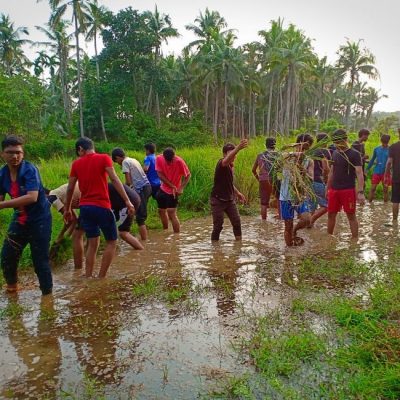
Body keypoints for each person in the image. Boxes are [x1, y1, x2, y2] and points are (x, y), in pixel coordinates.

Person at [64, 138, 135, 278]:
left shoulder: (76, 164)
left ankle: (88, 276)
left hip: (85, 208)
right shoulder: (104, 158)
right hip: (102, 206)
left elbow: (70, 188)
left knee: (92, 243)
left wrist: (67, 209)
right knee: (111, 241)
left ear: (80, 150)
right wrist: (127, 200)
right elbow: (114, 180)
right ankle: (101, 277)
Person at [0, 135, 53, 295]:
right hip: (20, 219)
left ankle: (47, 297)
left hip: (39, 220)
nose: (15, 156)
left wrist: (2, 205)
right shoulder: (2, 174)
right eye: (10, 152)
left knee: (39, 260)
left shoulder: (30, 169)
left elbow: (32, 197)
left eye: (18, 152)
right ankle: (12, 289)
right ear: (3, 154)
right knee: (7, 256)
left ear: (23, 154)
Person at [327, 129, 365, 238]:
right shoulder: (334, 152)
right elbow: (332, 172)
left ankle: (354, 241)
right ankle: (329, 238)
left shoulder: (354, 154)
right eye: (335, 142)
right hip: (334, 190)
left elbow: (359, 173)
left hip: (348, 190)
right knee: (331, 214)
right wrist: (327, 188)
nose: (338, 144)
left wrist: (361, 192)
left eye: (339, 141)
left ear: (346, 139)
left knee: (351, 216)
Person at [279, 134, 314, 246]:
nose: (304, 150)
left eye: (307, 148)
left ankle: (295, 230)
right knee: (287, 225)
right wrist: (295, 155)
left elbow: (311, 178)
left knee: (307, 219)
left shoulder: (309, 161)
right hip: (286, 196)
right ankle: (289, 252)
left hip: (300, 196)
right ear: (297, 144)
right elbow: (280, 157)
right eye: (302, 147)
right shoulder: (287, 156)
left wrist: (303, 170)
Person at [111, 148, 152, 241]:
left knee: (140, 218)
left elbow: (128, 182)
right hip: (147, 187)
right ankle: (139, 237)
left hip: (141, 189)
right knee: (137, 213)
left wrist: (122, 190)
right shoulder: (133, 159)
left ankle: (144, 242)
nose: (118, 164)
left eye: (117, 161)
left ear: (117, 157)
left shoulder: (125, 162)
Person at [211, 140, 248, 241]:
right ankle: (215, 249)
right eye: (231, 154)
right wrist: (238, 148)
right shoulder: (221, 163)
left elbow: (229, 183)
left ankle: (239, 244)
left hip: (229, 199)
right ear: (224, 154)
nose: (233, 156)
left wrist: (238, 193)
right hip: (217, 199)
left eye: (234, 154)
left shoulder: (231, 166)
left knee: (237, 222)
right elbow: (226, 160)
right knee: (218, 226)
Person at [47, 183, 84, 269]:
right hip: (89, 194)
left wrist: (60, 238)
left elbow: (70, 220)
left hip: (87, 198)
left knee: (77, 235)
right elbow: (73, 219)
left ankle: (79, 269)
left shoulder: (52, 197)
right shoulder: (59, 193)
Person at [155, 147, 191, 233]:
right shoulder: (159, 159)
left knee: (171, 213)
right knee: (161, 211)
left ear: (174, 157)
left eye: (171, 160)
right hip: (163, 188)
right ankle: (165, 230)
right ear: (163, 157)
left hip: (173, 192)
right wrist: (171, 185)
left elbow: (188, 175)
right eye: (167, 161)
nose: (169, 162)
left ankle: (177, 237)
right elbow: (159, 174)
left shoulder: (179, 161)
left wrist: (181, 188)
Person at [108, 183, 144, 250]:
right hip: (127, 200)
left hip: (128, 202)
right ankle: (115, 247)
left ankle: (141, 251)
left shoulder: (98, 191)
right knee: (113, 224)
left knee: (123, 233)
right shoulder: (104, 186)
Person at [252, 137, 279, 220]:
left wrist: (259, 179)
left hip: (263, 180)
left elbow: (253, 170)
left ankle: (264, 221)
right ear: (275, 145)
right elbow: (280, 168)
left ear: (265, 145)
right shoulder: (277, 155)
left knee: (263, 203)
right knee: (279, 199)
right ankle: (280, 217)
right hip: (274, 179)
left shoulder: (260, 155)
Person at [310, 132, 331, 226]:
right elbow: (325, 167)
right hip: (319, 180)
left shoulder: (312, 151)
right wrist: (327, 180)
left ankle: (309, 225)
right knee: (326, 205)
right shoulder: (324, 151)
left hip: (310, 181)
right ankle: (311, 220)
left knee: (312, 206)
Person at [367, 134, 391, 203]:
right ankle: (369, 204)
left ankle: (385, 206)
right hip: (377, 171)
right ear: (381, 141)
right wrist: (367, 169)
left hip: (386, 173)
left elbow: (393, 160)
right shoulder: (376, 149)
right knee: (372, 188)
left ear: (388, 141)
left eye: (386, 143)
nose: (384, 144)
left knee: (385, 189)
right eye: (383, 143)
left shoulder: (390, 149)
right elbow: (372, 160)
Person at [385, 128, 400, 220]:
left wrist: (386, 174)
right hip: (396, 177)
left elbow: (389, 162)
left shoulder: (393, 147)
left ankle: (395, 221)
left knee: (395, 200)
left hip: (397, 177)